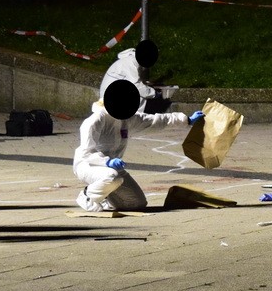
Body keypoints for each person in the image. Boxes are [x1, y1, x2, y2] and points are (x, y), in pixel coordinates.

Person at [74, 79, 203, 212]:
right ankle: (86, 196)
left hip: (112, 168)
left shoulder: (126, 118)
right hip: (88, 165)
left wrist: (186, 120)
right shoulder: (95, 121)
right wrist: (107, 161)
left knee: (136, 203)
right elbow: (86, 152)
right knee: (111, 177)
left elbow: (154, 121)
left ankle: (107, 199)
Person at [99, 39, 173, 114]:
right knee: (150, 103)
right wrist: (155, 94)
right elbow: (137, 87)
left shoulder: (129, 60)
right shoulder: (131, 64)